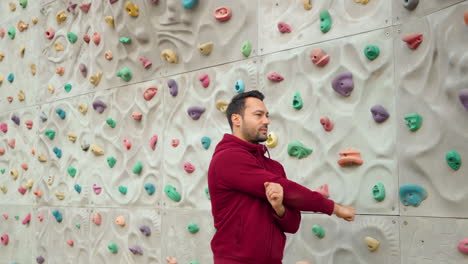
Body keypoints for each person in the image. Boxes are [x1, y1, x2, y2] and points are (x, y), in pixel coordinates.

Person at [207, 90, 355, 264]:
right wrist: (334, 208)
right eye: (258, 115)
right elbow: (290, 190)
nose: (266, 121)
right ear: (236, 119)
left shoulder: (274, 167)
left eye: (267, 115)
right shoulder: (228, 158)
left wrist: (279, 209)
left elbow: (292, 225)